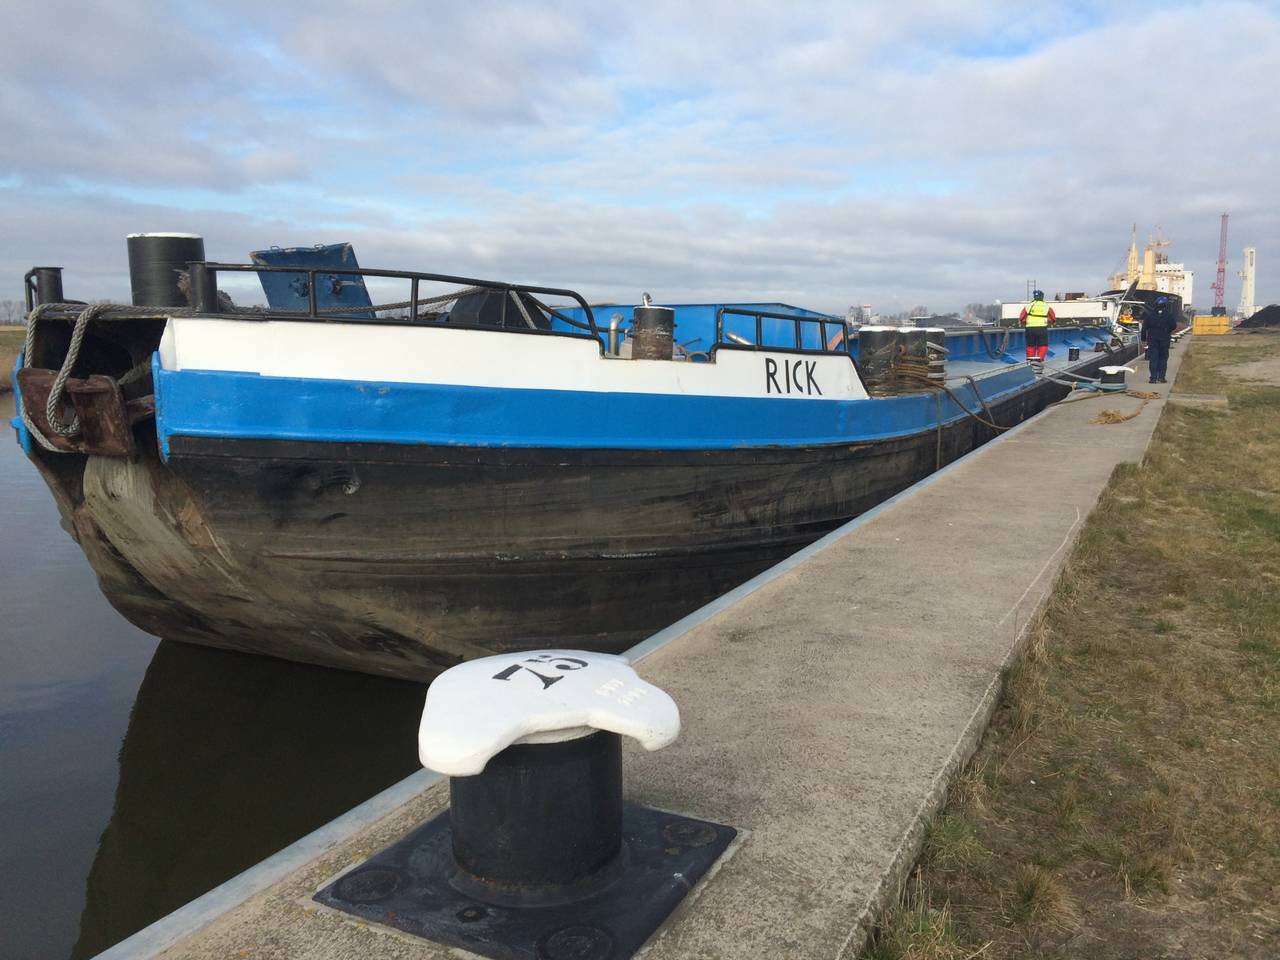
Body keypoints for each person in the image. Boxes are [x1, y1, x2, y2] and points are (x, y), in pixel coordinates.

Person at [1142, 295, 1177, 383]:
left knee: (1153, 359)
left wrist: (1143, 339)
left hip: (1152, 340)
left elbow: (1144, 328)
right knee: (1163, 359)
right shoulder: (1169, 315)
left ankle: (1153, 378)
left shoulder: (1150, 315)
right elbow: (1174, 326)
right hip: (1164, 340)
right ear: (1165, 305)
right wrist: (1167, 330)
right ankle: (1161, 378)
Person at [1019, 290, 1056, 372]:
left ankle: (1030, 362)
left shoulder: (1029, 306)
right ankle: (1039, 361)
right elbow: (1053, 318)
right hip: (1042, 328)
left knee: (1030, 346)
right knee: (1043, 345)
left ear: (1034, 297)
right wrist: (1047, 322)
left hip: (1030, 329)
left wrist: (1026, 323)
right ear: (1042, 296)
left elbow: (1022, 317)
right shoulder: (1046, 306)